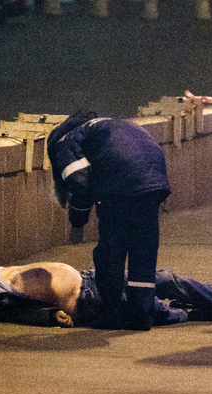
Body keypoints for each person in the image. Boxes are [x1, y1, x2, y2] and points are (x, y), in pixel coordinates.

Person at [46, 112, 171, 331]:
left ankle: (112, 316)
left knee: (110, 253)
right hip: (154, 182)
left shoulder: (65, 140)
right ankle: (141, 317)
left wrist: (77, 218)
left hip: (118, 185)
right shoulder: (113, 124)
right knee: (143, 252)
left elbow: (79, 182)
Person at [0, 263, 212, 328]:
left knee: (166, 278)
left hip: (91, 277)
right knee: (154, 309)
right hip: (86, 298)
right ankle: (188, 312)